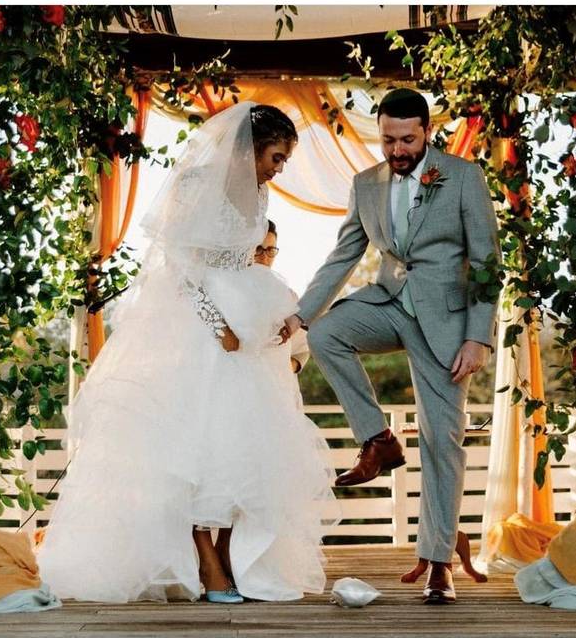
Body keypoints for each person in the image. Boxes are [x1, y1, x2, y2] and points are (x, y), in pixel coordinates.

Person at [38, 102, 337, 604]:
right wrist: (219, 326)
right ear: (252, 146)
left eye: (284, 160)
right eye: (277, 156)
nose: (279, 168)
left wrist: (277, 316)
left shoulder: (259, 191)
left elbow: (249, 262)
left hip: (246, 319)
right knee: (196, 445)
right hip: (197, 328)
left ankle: (227, 555)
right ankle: (203, 555)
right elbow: (176, 266)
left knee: (244, 446)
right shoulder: (198, 183)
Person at [281, 88, 500, 604]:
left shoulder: (464, 177)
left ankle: (439, 563)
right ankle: (378, 440)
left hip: (446, 328)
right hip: (389, 304)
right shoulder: (366, 185)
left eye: (407, 139)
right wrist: (300, 314)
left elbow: (488, 264)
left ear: (426, 131)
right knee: (329, 334)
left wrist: (477, 337)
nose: (397, 149)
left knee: (441, 443)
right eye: (388, 139)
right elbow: (342, 256)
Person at [253, 220, 309, 374]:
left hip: (275, 385)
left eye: (270, 250)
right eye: (258, 248)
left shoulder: (288, 296)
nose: (264, 257)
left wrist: (284, 369)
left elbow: (302, 349)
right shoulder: (227, 291)